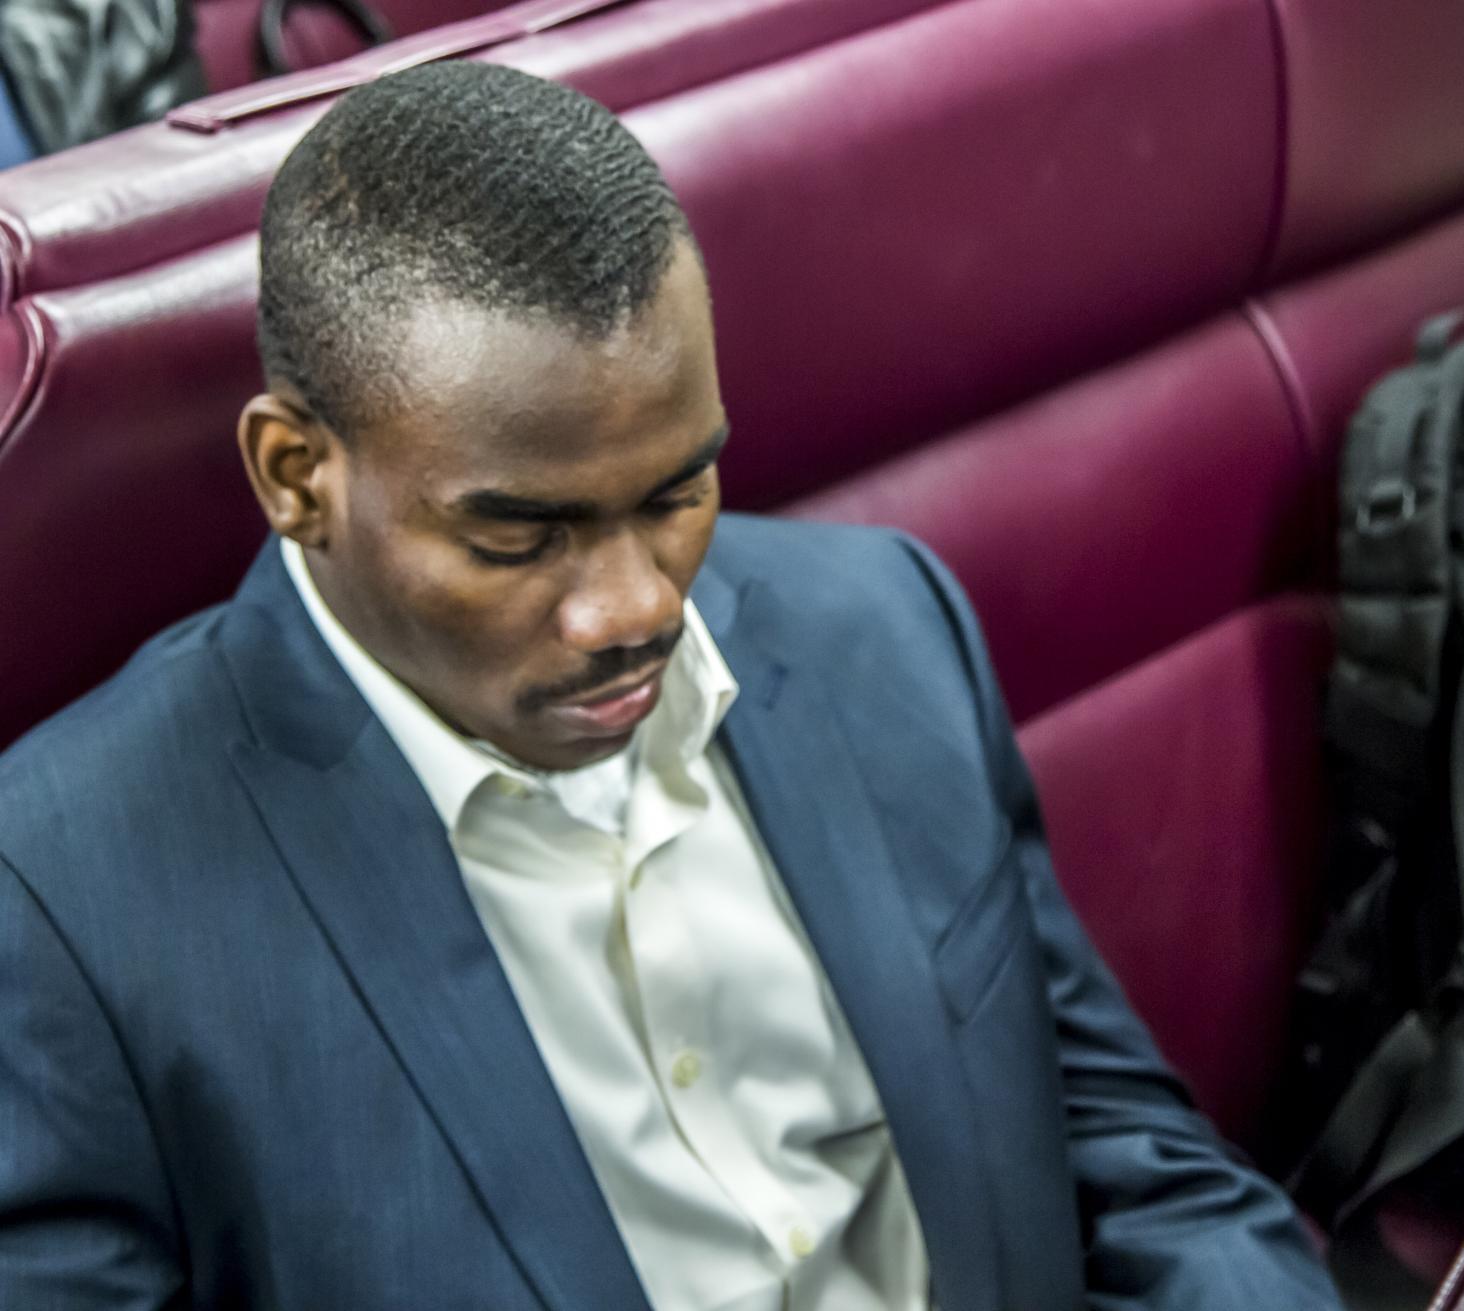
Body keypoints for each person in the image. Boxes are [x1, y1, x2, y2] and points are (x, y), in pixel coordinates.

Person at [0, 61, 1341, 1311]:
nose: (639, 608)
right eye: (519, 536)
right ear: (298, 478)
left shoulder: (886, 627)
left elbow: (1128, 1155)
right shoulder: (67, 905)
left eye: (679, 490)